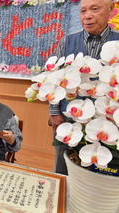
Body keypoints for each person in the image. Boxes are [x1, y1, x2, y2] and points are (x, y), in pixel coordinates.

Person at [49, 0, 119, 175]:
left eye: (95, 9)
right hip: (69, 117)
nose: (87, 16)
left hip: (107, 121)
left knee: (104, 171)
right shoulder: (67, 41)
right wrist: (54, 113)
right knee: (63, 166)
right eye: (83, 11)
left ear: (111, 8)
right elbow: (53, 80)